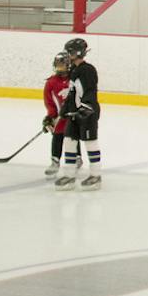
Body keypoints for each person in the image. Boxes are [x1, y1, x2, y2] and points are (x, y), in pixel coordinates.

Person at [53, 39, 102, 189]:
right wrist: (64, 110)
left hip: (88, 113)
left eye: (71, 51)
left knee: (90, 142)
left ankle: (95, 175)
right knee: (69, 141)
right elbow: (72, 93)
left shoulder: (88, 70)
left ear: (79, 52)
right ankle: (69, 175)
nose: (69, 54)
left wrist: (85, 108)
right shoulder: (74, 70)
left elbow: (90, 91)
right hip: (74, 113)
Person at [42, 50, 75, 177]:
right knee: (57, 134)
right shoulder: (51, 82)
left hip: (73, 115)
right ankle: (55, 161)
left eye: (62, 65)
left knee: (73, 137)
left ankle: (77, 157)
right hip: (60, 117)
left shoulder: (74, 78)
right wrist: (50, 116)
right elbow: (49, 102)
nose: (59, 68)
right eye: (57, 65)